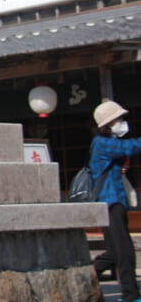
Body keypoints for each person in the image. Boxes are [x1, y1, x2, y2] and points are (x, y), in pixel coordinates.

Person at [90, 100, 141, 302]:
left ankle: (84, 273)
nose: (122, 123)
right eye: (119, 119)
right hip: (110, 201)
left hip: (113, 201)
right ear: (108, 123)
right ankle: (131, 295)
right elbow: (131, 146)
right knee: (125, 251)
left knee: (114, 252)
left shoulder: (104, 143)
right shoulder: (103, 143)